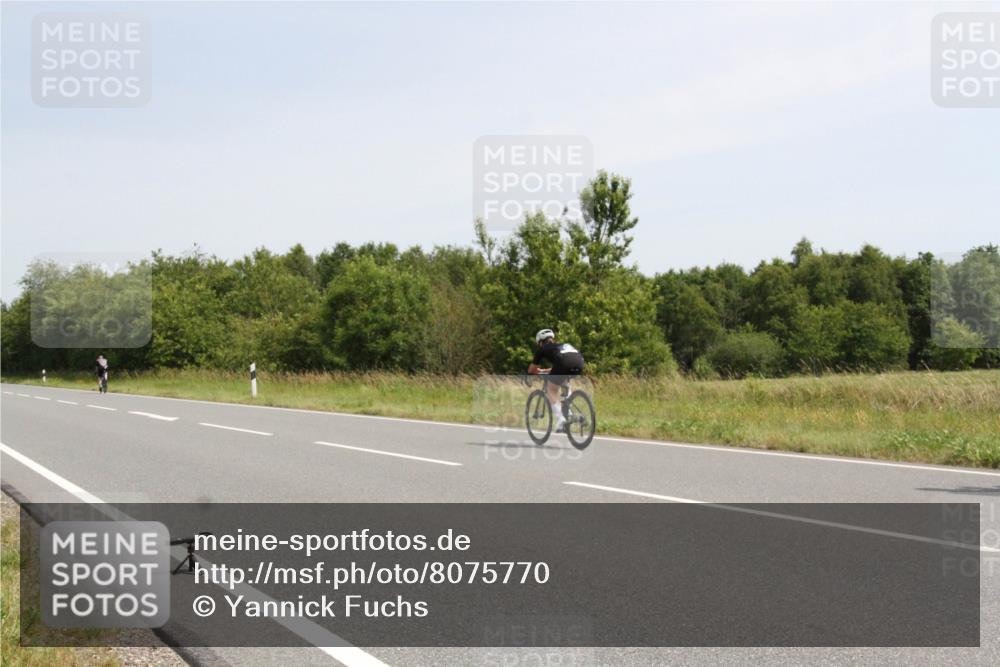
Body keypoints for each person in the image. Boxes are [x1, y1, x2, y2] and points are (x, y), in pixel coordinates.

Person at [527, 329, 585, 432]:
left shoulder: (543, 348)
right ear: (552, 339)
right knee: (564, 382)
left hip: (564, 363)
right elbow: (557, 367)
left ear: (540, 342)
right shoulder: (560, 346)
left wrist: (533, 375)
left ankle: (561, 420)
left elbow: (532, 370)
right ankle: (570, 412)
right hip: (579, 362)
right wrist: (546, 370)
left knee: (551, 390)